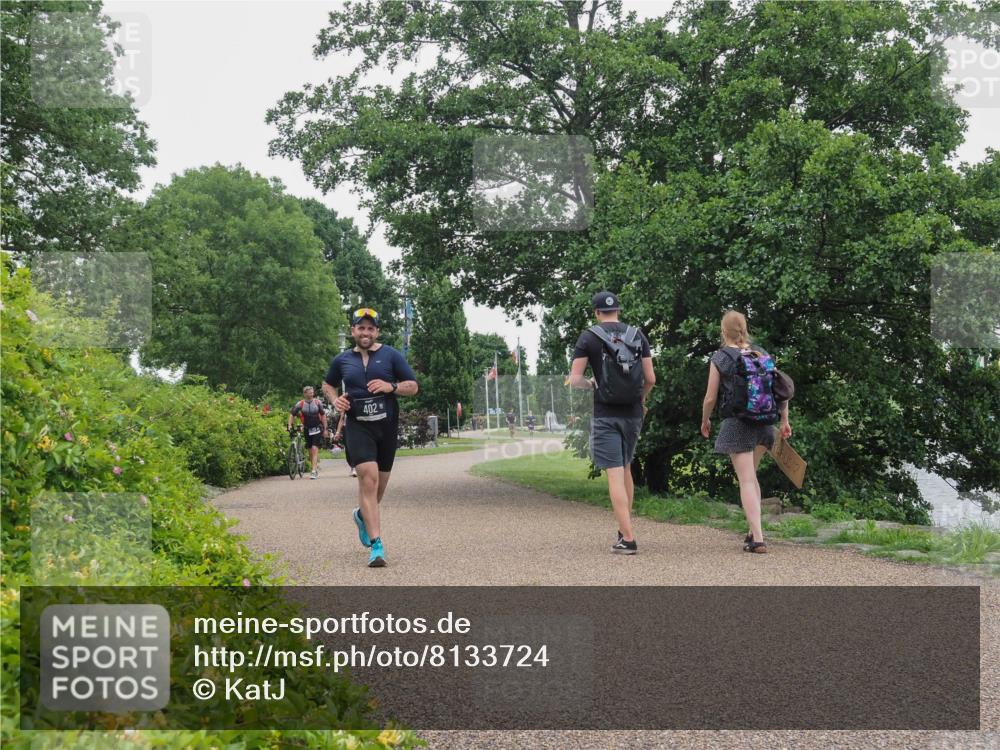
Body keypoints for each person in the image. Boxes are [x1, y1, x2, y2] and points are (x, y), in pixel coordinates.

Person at [322, 307, 418, 567]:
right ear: (353, 330)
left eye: (370, 328)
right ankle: (377, 546)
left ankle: (362, 516)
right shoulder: (342, 360)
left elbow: (413, 386)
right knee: (368, 478)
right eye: (360, 327)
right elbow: (328, 384)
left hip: (385, 429)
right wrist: (335, 399)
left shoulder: (391, 356)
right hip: (358, 428)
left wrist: (392, 387)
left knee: (379, 488)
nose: (365, 332)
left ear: (377, 331)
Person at [570, 291, 655, 554]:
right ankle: (624, 527)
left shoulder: (589, 337)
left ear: (596, 312)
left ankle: (627, 539)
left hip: (605, 413)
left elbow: (575, 379)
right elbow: (650, 378)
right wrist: (640, 400)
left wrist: (592, 384)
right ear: (617, 309)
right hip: (633, 413)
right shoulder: (636, 335)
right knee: (627, 468)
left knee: (615, 474)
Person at [700, 310, 791, 554]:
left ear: (723, 331)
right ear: (744, 328)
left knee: (746, 480)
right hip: (765, 423)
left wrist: (705, 420)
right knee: (752, 478)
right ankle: (753, 531)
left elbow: (710, 397)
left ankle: (759, 539)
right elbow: (779, 389)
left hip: (738, 423)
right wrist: (785, 420)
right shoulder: (761, 352)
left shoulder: (721, 357)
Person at [288, 386, 328, 479]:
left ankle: (313, 471)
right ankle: (314, 467)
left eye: (312, 392)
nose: (312, 394)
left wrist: (325, 429)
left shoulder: (318, 403)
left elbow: (323, 415)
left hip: (317, 428)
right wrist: (289, 425)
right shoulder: (300, 404)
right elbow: (292, 414)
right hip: (306, 429)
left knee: (314, 448)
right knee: (310, 450)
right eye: (309, 392)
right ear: (305, 393)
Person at [332, 410, 356, 477]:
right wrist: (337, 432)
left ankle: (356, 467)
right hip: (347, 428)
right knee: (348, 448)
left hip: (357, 428)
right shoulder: (345, 405)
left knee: (356, 447)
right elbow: (342, 419)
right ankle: (352, 467)